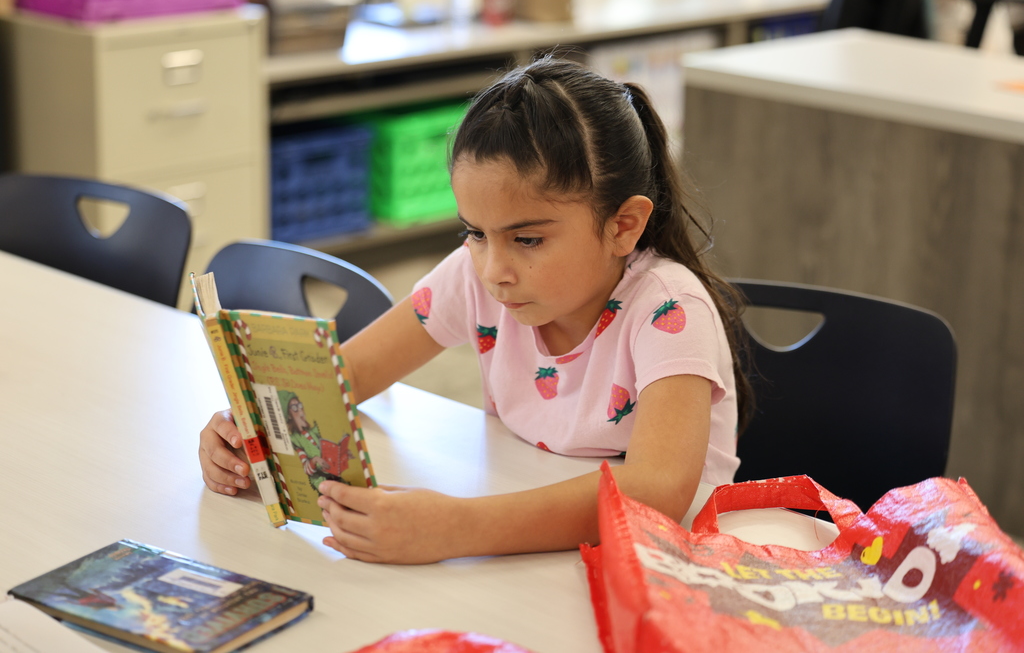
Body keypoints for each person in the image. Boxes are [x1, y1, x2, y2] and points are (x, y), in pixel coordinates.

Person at [198, 56, 751, 565]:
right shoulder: (478, 273)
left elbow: (656, 492)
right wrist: (251, 431)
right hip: (539, 548)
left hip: (668, 564)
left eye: (527, 239)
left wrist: (455, 528)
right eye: (475, 233)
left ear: (623, 225)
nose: (493, 270)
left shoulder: (669, 310)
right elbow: (345, 375)